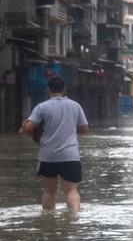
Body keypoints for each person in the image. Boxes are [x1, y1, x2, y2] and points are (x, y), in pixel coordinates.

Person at [20, 76, 90, 211]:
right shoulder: (75, 106)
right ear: (65, 89)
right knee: (71, 190)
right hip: (70, 156)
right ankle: (73, 217)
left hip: (48, 155)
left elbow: (28, 129)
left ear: (48, 90)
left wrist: (28, 127)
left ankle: (48, 223)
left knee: (49, 191)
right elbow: (84, 129)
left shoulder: (42, 107)